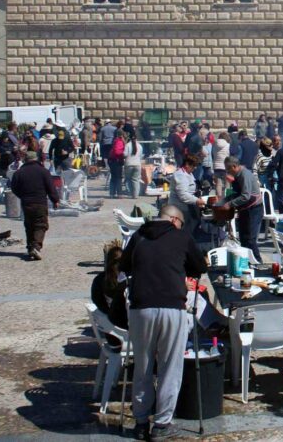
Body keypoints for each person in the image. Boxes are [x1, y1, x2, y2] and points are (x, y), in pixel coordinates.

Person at [121, 205, 207, 442]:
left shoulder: (138, 235)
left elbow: (124, 266)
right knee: (170, 367)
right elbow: (200, 267)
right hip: (171, 306)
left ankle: (140, 422)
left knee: (143, 366)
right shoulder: (180, 236)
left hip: (141, 308)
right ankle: (161, 424)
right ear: (174, 220)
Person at [10, 150, 60, 260]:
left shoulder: (19, 173)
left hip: (26, 203)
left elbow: (14, 188)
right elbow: (51, 188)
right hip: (40, 202)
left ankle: (30, 248)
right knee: (40, 225)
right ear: (36, 159)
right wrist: (55, 200)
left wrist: (22, 196)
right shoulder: (43, 171)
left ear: (25, 160)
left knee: (29, 225)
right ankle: (36, 247)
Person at [224, 156, 264, 263]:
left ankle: (257, 262)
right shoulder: (238, 175)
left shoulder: (244, 174)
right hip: (245, 210)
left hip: (253, 209)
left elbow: (245, 196)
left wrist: (230, 204)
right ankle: (246, 262)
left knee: (250, 238)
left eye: (228, 169)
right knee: (243, 238)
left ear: (234, 166)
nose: (228, 172)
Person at [90, 241, 128, 331]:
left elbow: (97, 300)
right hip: (127, 323)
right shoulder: (127, 278)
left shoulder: (98, 280)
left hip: (110, 328)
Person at [167, 154, 205, 235]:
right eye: (193, 165)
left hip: (187, 207)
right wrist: (197, 200)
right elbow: (183, 195)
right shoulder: (180, 175)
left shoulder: (188, 173)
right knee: (182, 232)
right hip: (179, 208)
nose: (195, 168)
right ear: (187, 164)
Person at [123, 132, 143, 198]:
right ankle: (136, 195)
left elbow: (125, 154)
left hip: (129, 164)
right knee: (136, 180)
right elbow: (141, 155)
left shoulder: (127, 145)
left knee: (128, 179)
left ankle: (130, 193)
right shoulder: (140, 146)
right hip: (137, 164)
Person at [212, 131, 231, 197]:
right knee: (228, 184)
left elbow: (212, 155)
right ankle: (228, 198)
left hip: (216, 167)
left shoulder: (214, 144)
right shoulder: (228, 145)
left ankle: (219, 199)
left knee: (218, 184)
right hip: (226, 167)